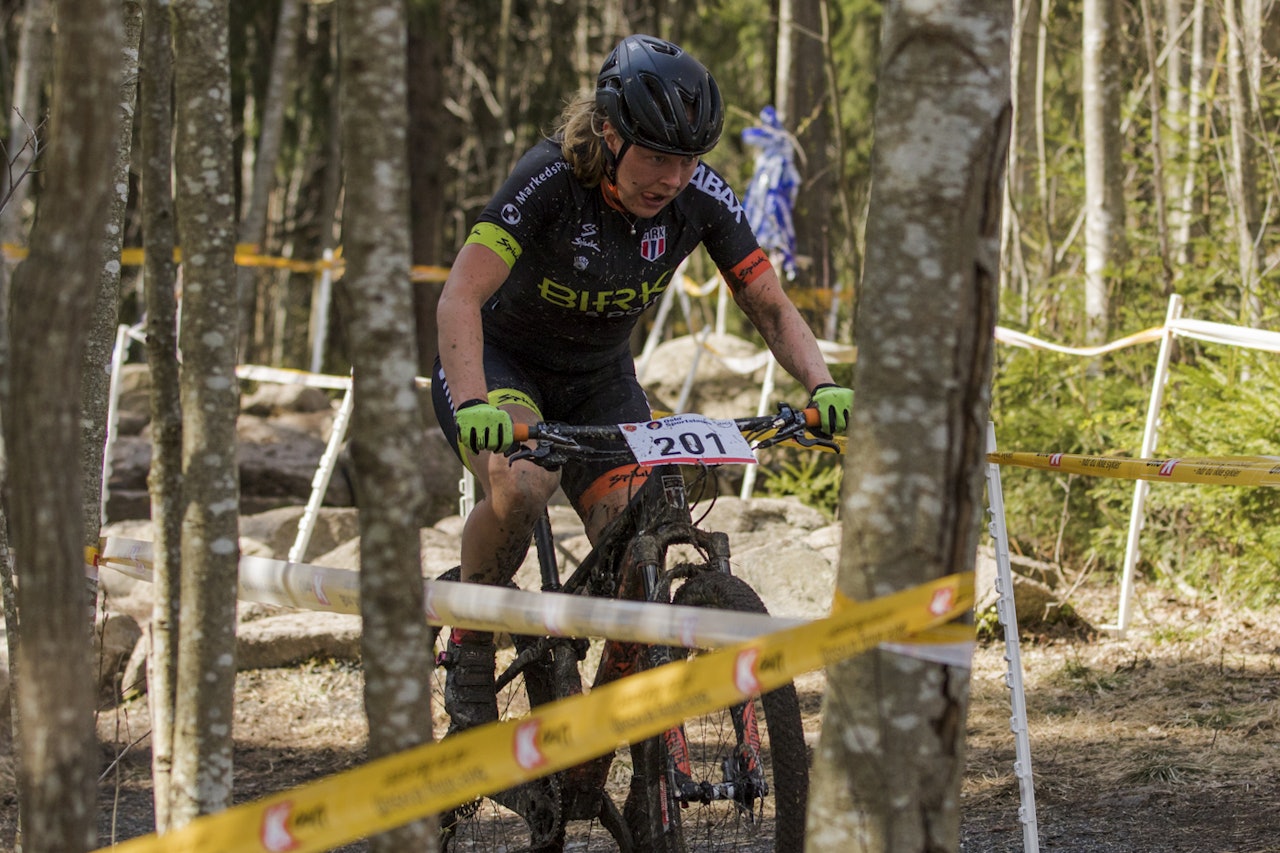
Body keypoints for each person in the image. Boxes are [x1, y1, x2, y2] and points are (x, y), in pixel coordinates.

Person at [431, 34, 853, 732]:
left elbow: (770, 305)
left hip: (598, 380)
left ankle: (605, 734)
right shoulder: (549, 177)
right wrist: (475, 401)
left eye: (687, 160)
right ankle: (471, 645)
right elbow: (460, 297)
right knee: (523, 485)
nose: (671, 178)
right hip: (503, 368)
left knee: (648, 525)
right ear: (609, 130)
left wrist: (823, 384)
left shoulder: (701, 196)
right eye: (656, 156)